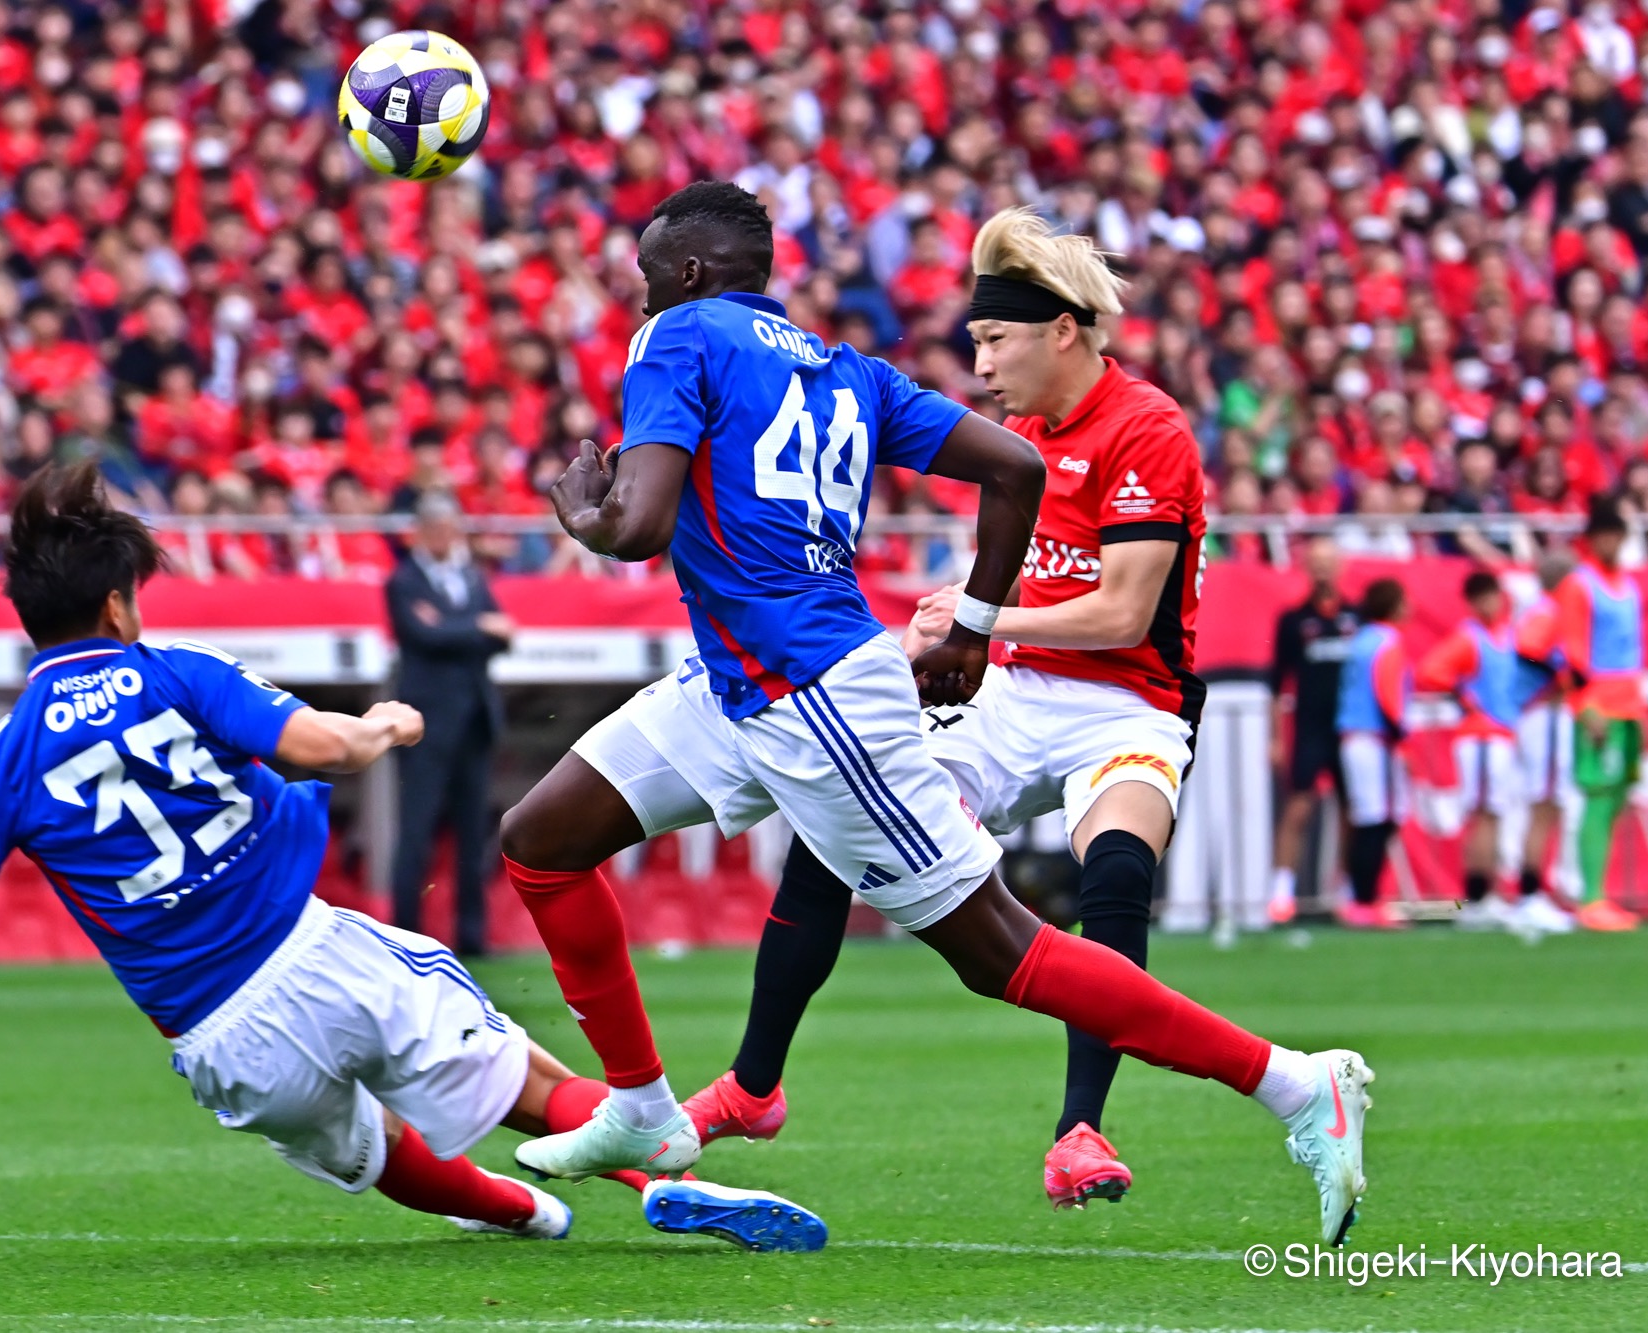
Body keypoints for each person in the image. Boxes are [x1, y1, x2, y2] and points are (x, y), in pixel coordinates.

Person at [499, 183, 1372, 1247]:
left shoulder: (676, 335)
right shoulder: (842, 367)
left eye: (647, 278)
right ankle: (643, 1107)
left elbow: (636, 528)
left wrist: (581, 510)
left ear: (686, 274)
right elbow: (1014, 465)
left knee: (999, 952)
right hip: (736, 682)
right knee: (542, 839)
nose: (641, 300)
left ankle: (1294, 1083)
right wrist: (972, 627)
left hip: (811, 698)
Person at [0, 464, 826, 1255]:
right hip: (312, 951)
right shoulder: (172, 669)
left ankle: (524, 1212)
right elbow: (319, 748)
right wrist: (382, 725)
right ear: (117, 602)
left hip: (215, 1040)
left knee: (370, 1149)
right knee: (529, 1086)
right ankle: (657, 1173)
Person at [686, 204, 1216, 1214]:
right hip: (1016, 692)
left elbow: (1120, 613)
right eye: (975, 340)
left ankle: (1081, 1129)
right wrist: (951, 630)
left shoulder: (1147, 427)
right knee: (838, 819)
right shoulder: (1019, 437)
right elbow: (1003, 589)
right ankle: (752, 1086)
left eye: (995, 339)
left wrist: (978, 616)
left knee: (1115, 869)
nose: (980, 364)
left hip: (1129, 704)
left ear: (1064, 332)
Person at [384, 490, 513, 956]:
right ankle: (405, 933)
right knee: (416, 831)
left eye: (450, 527)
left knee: (473, 834)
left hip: (474, 721)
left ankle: (472, 936)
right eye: (436, 528)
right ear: (420, 531)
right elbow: (423, 635)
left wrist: (456, 626)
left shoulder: (470, 576)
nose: (444, 536)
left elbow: (502, 636)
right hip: (426, 725)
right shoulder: (403, 581)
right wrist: (477, 626)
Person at [1552, 499, 1646, 931]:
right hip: (1600, 705)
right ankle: (1590, 897)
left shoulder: (1628, 585)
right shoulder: (1580, 586)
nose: (1609, 543)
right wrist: (1583, 706)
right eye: (1602, 536)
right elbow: (1569, 652)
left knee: (1618, 798)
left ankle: (1600, 891)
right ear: (1590, 541)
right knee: (1599, 796)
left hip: (1629, 705)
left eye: (1615, 536)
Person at [1417, 571, 1525, 931]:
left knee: (1494, 815)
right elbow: (1430, 670)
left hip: (1502, 735)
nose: (1488, 604)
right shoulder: (1470, 637)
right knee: (1482, 816)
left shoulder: (1508, 634)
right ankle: (1476, 898)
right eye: (1480, 599)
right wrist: (1464, 696)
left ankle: (1489, 894)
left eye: (1491, 596)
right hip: (1480, 737)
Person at [1266, 536, 1357, 923]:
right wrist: (1274, 739)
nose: (1322, 568)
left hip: (1351, 730)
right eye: (1315, 561)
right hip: (1310, 729)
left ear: (1340, 566)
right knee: (1299, 808)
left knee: (1353, 810)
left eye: (1328, 560)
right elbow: (1276, 686)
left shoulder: (1357, 617)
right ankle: (1281, 892)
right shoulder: (1293, 620)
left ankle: (1348, 890)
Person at [1509, 552, 1581, 934]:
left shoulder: (1547, 610)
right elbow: (1528, 648)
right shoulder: (1548, 611)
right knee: (1544, 805)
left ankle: (1535, 893)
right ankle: (1529, 895)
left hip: (1544, 714)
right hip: (1544, 713)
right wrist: (1566, 673)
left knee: (1549, 805)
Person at [1334, 579, 1412, 930]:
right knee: (1379, 819)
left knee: (1371, 817)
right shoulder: (1388, 640)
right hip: (1375, 738)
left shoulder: (1361, 639)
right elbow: (1388, 692)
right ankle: (1363, 900)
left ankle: (1361, 896)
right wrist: (1399, 731)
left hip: (1354, 736)